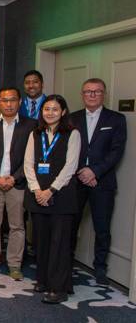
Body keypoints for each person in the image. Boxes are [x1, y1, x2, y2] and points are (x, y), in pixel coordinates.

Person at [24, 95, 81, 304]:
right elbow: (28, 163)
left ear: (63, 112)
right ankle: (43, 280)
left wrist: (51, 190)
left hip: (62, 197)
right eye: (47, 109)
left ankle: (59, 287)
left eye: (55, 109)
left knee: (60, 243)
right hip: (38, 196)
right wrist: (37, 189)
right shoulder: (35, 133)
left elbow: (70, 166)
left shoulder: (72, 134)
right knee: (42, 241)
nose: (50, 113)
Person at [70, 78, 127, 286]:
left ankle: (100, 267)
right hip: (75, 182)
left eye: (96, 91)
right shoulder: (72, 118)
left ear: (104, 94)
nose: (92, 95)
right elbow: (67, 151)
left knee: (102, 228)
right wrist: (81, 173)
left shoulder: (116, 119)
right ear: (82, 95)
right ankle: (66, 262)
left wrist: (94, 172)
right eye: (88, 92)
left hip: (102, 183)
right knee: (70, 224)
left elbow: (116, 151)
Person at [0, 87, 37, 279]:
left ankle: (14, 264)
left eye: (12, 100)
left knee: (17, 226)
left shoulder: (31, 126)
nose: (8, 104)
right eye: (4, 100)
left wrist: (14, 178)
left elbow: (32, 157)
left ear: (19, 102)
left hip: (17, 184)